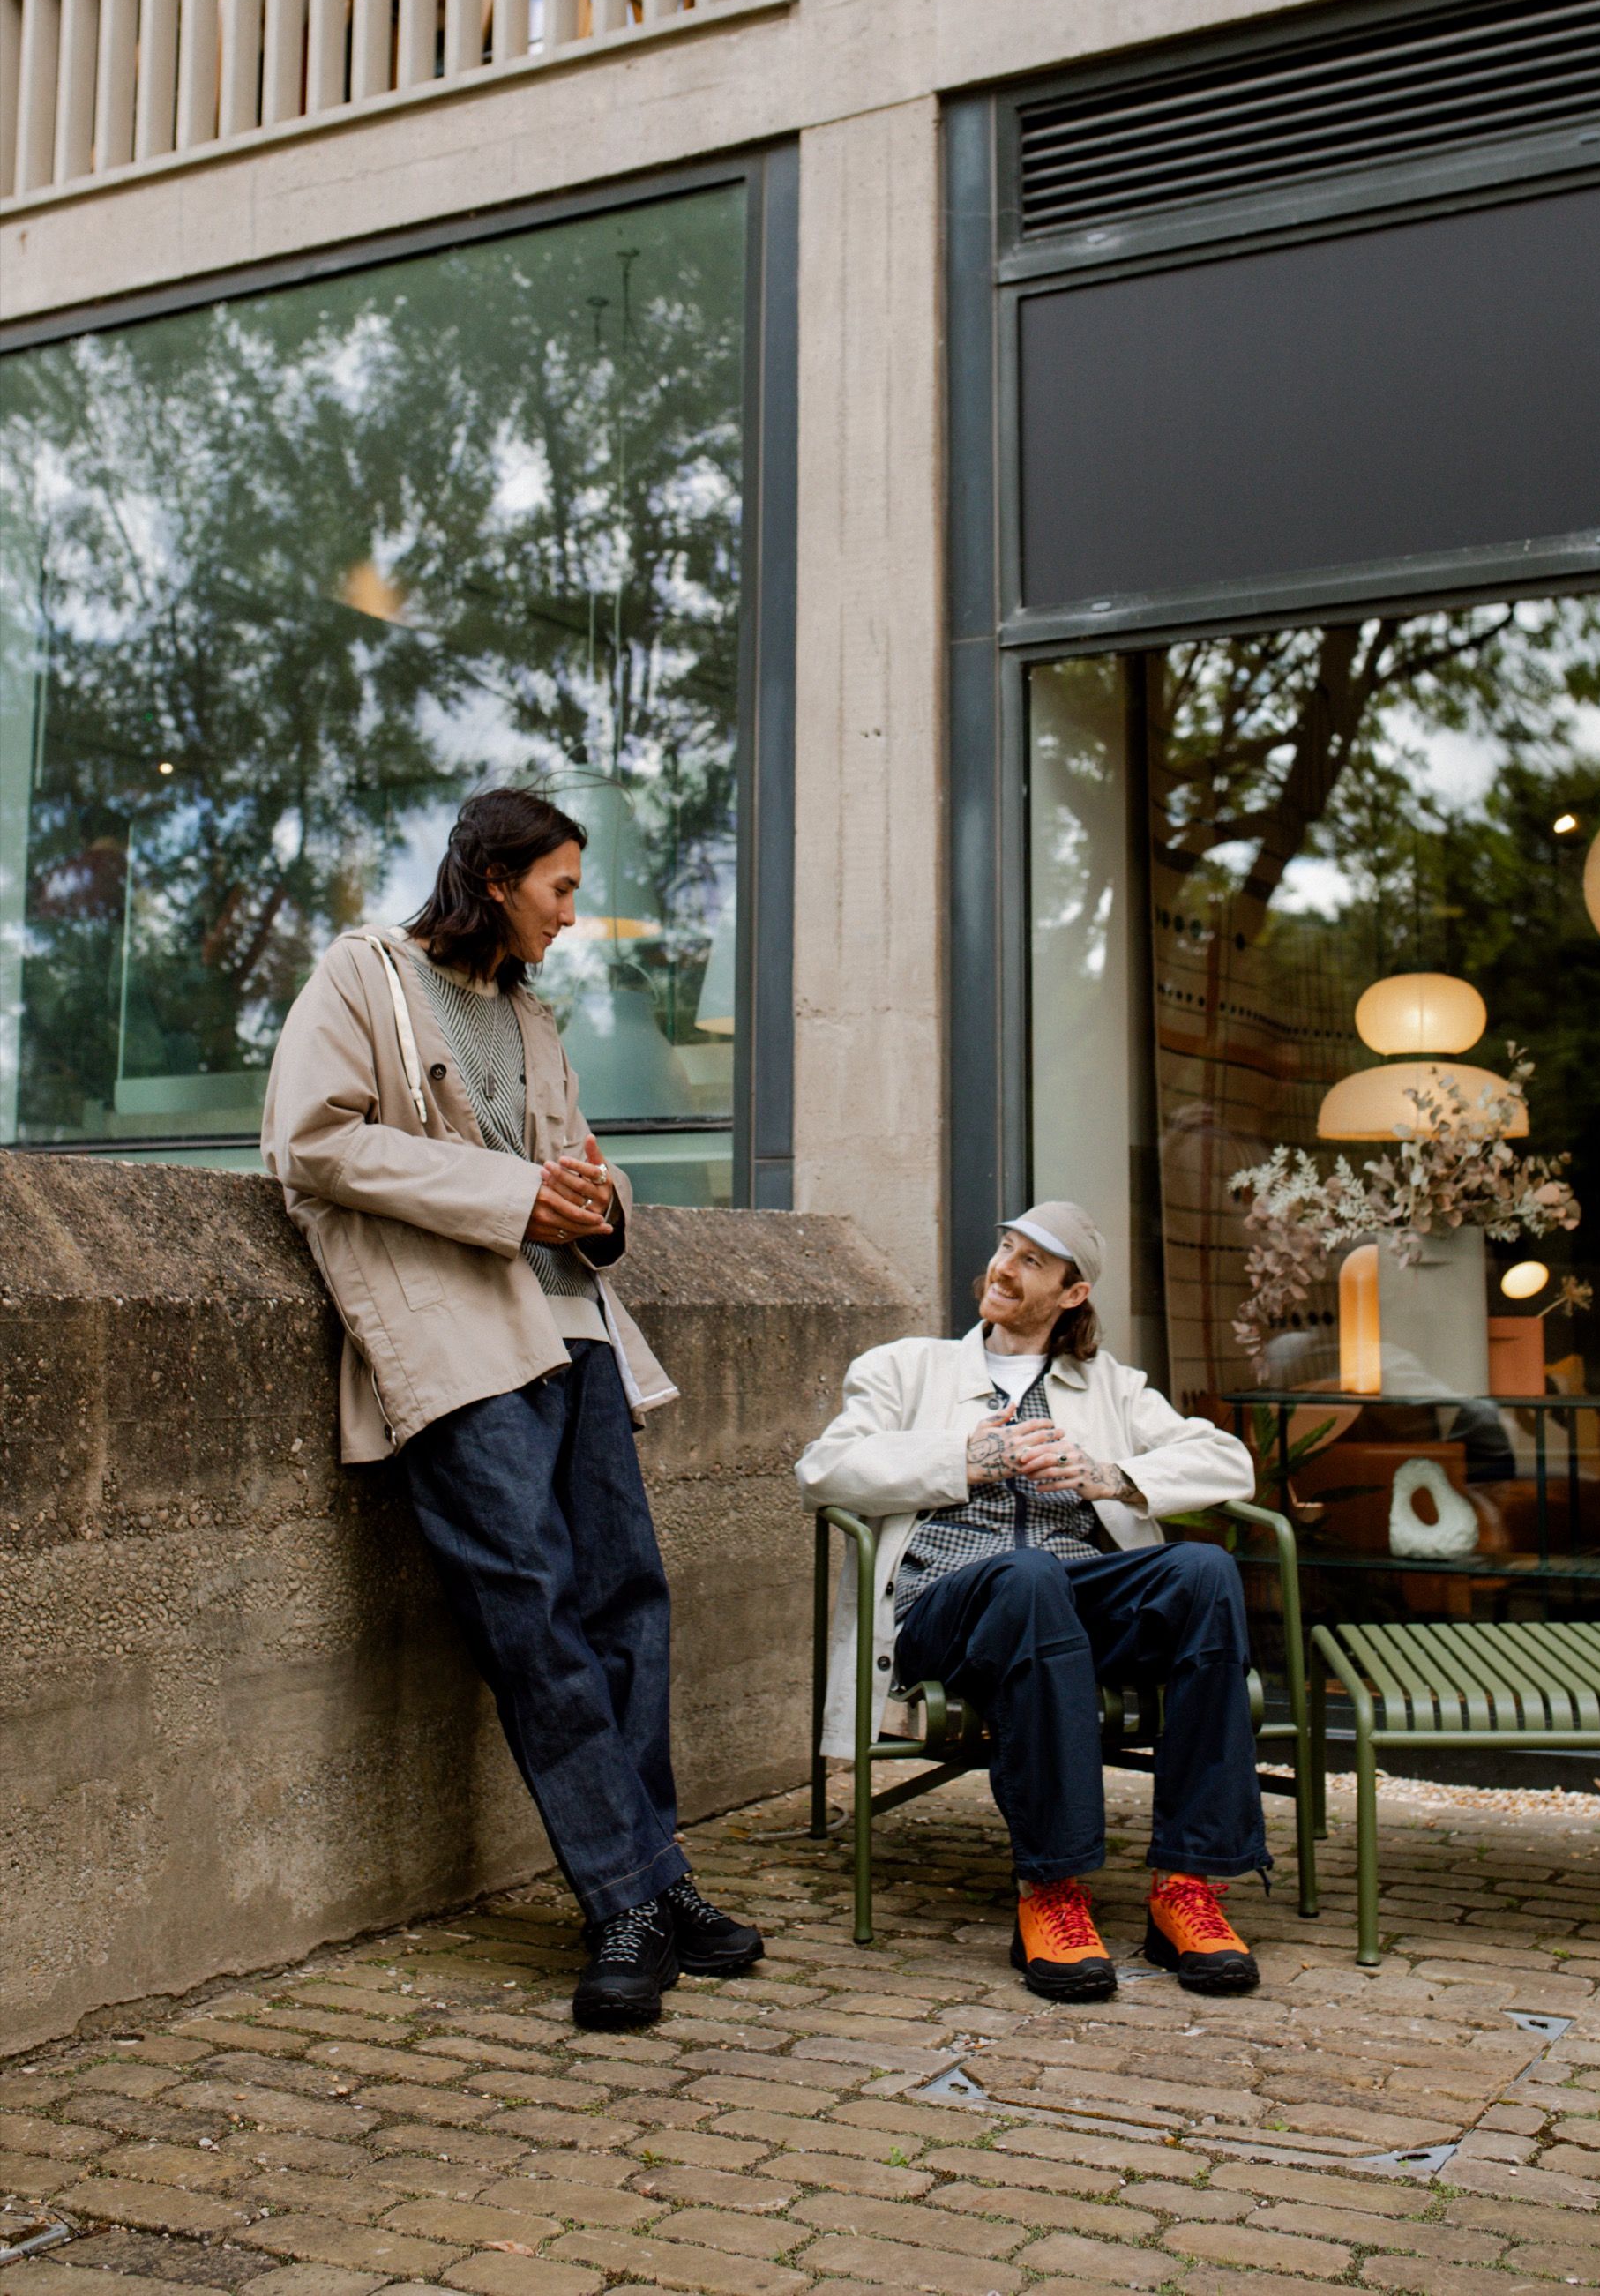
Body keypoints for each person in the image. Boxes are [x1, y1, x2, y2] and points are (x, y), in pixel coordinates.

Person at [262, 785, 762, 2028]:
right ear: (495, 878)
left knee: (629, 1604)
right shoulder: (362, 975)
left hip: (576, 1329)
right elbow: (311, 1143)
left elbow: (572, 1160)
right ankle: (626, 1899)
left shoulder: (535, 1019)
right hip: (453, 1338)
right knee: (530, 1613)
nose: (572, 916)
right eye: (559, 889)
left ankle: (657, 1874)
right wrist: (511, 1193)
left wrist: (596, 1196)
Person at [796, 1203, 1267, 2003]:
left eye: (1031, 1261)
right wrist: (967, 1456)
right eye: (1003, 1247)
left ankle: (1188, 1884)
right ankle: (1051, 1889)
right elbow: (825, 1471)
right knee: (1026, 1574)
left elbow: (1228, 1462)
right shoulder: (906, 1369)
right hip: (951, 1609)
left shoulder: (1111, 1387)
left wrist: (1111, 1475)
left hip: (1073, 1606)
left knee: (1203, 1571)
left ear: (1073, 1293)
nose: (1002, 1268)